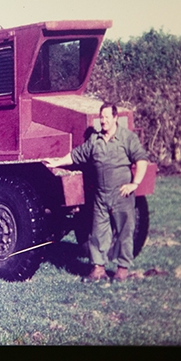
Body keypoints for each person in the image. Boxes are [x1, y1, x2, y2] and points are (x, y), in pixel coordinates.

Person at [44, 102, 148, 282]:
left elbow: (141, 161)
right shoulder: (95, 141)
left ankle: (122, 270)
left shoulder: (127, 138)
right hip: (101, 196)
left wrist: (134, 184)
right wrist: (56, 163)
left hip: (121, 194)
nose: (104, 121)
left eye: (107, 117)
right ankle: (98, 269)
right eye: (102, 118)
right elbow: (76, 155)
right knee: (98, 232)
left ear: (115, 118)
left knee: (124, 231)